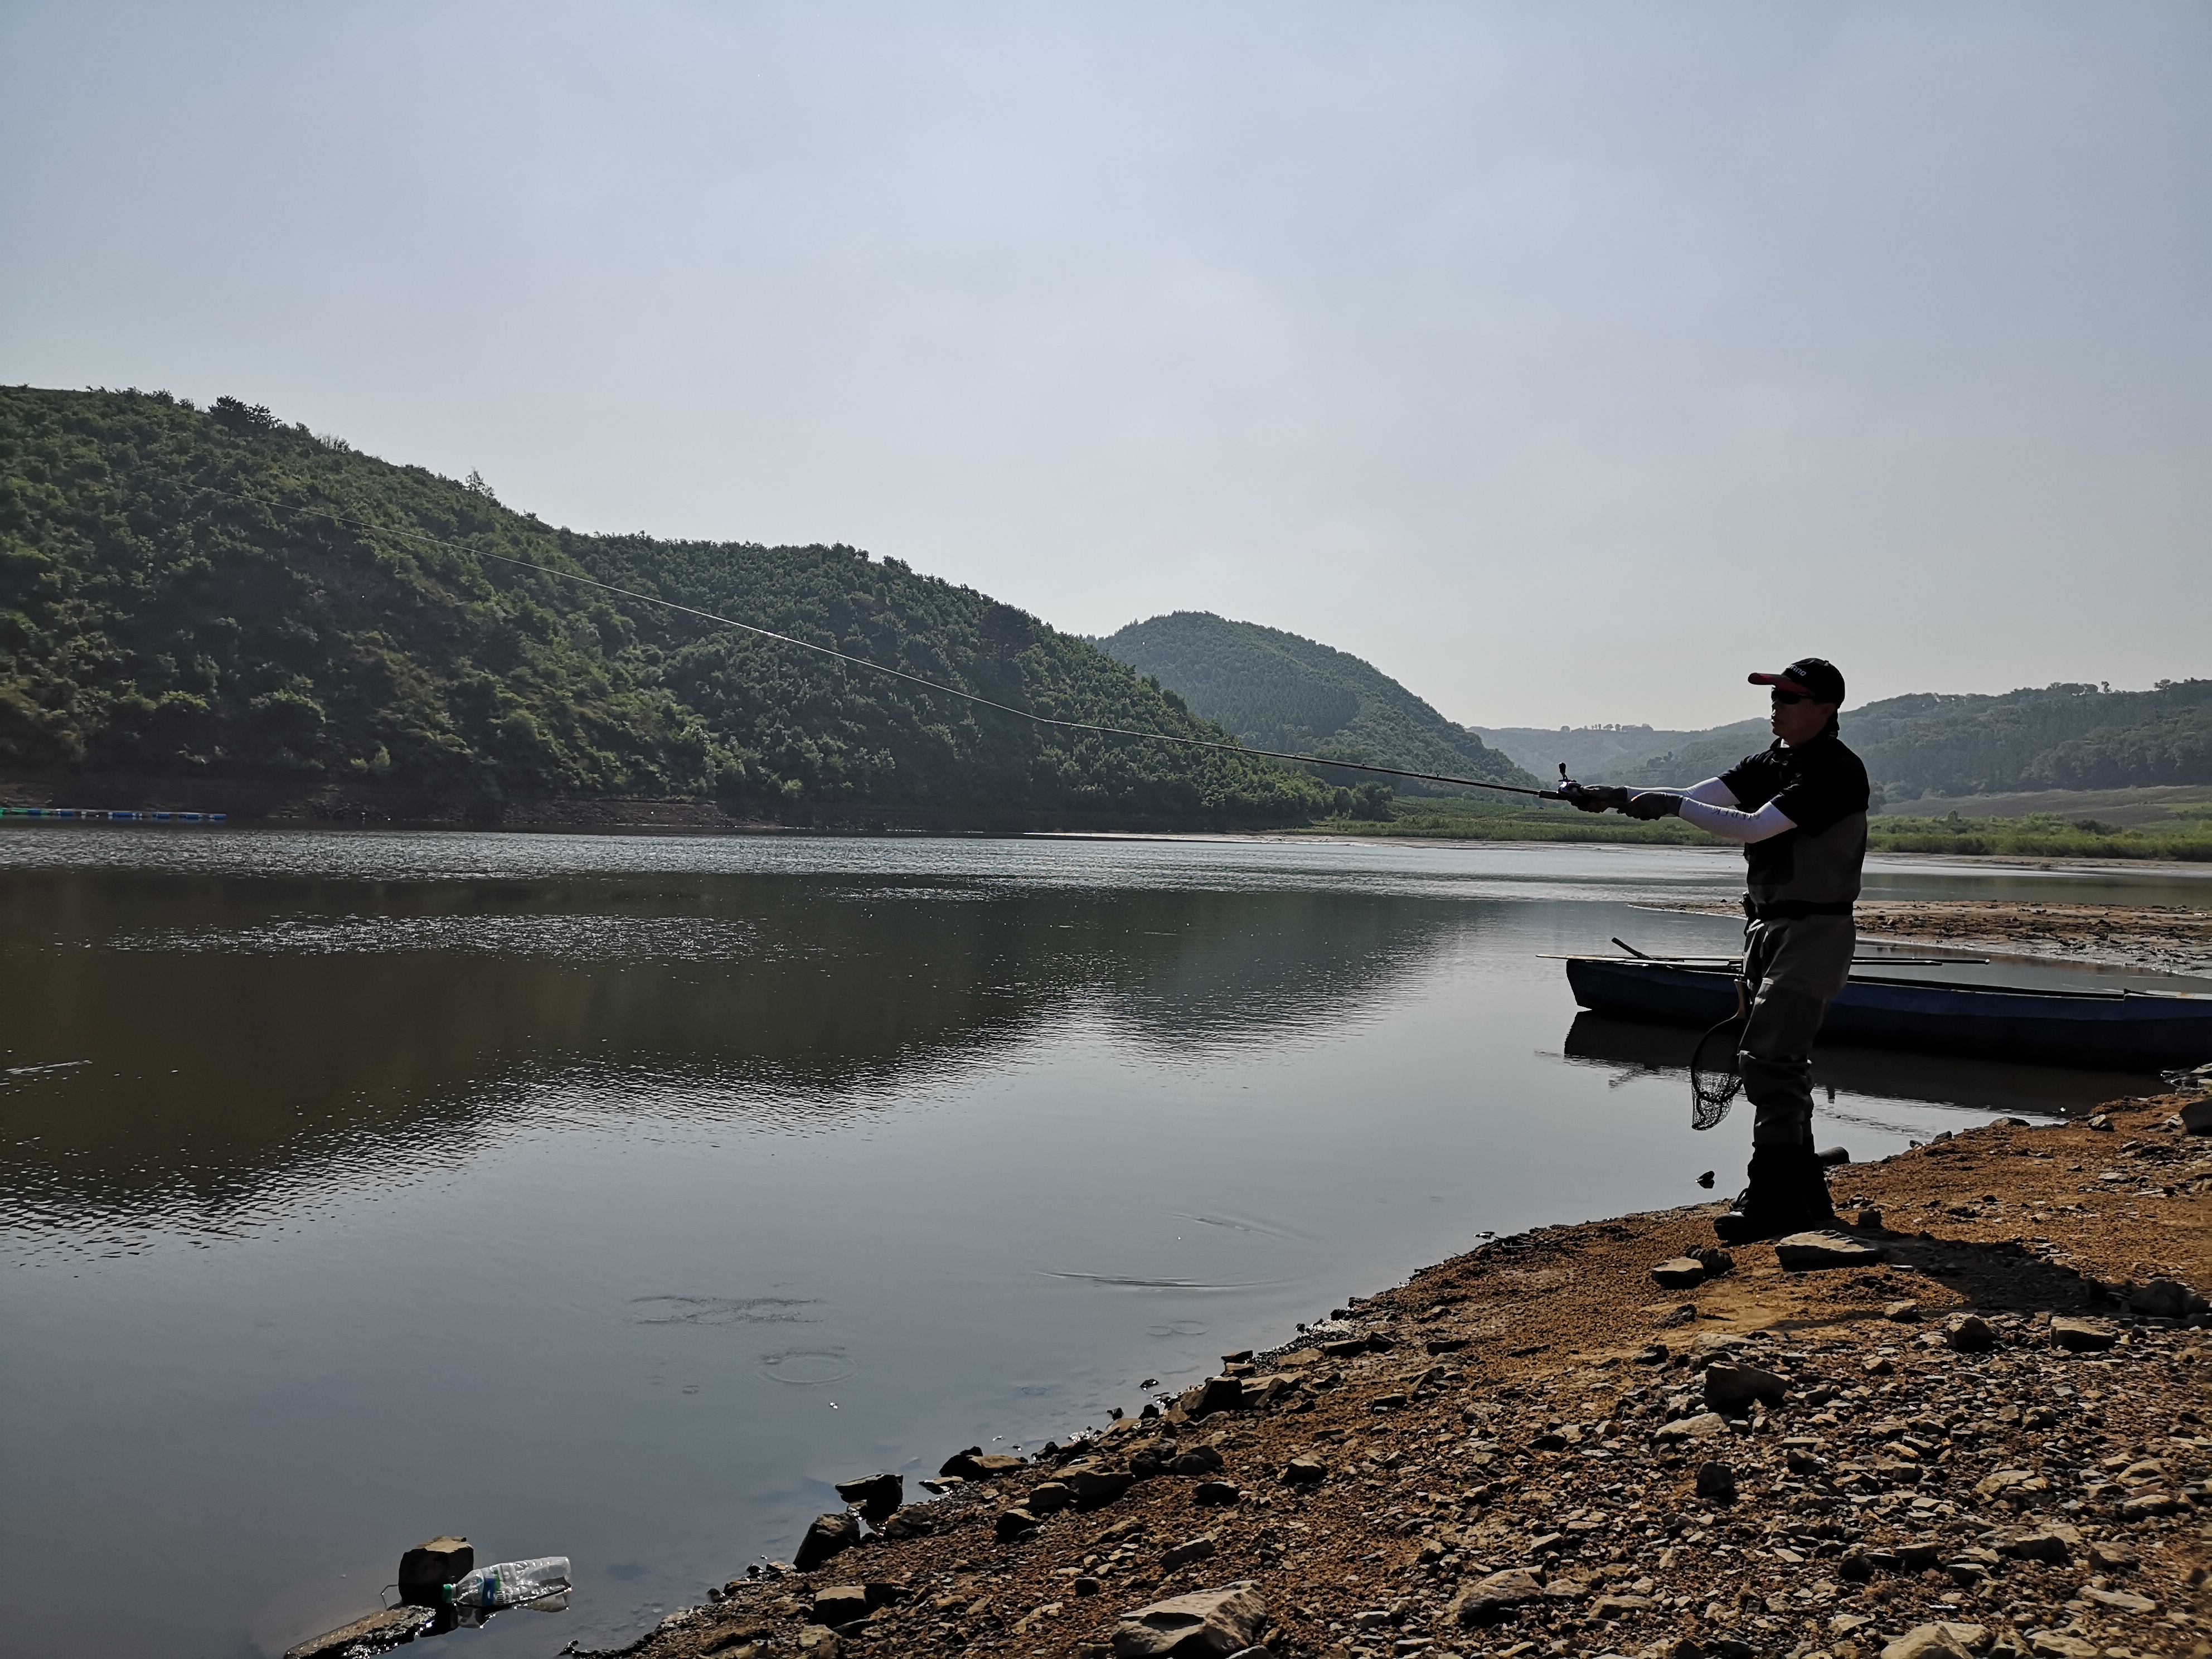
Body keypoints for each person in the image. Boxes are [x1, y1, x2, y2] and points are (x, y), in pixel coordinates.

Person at [1570, 657, 1870, 1243]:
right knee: (1776, 1060)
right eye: (1774, 695)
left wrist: (1670, 805)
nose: (1775, 705)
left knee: (1767, 1059)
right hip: (1765, 928)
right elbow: (1698, 795)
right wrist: (1615, 796)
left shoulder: (1835, 771)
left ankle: (1771, 1198)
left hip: (1814, 932)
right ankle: (1804, 1193)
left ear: (1825, 708)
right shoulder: (1772, 761)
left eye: (1788, 697)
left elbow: (1753, 826)